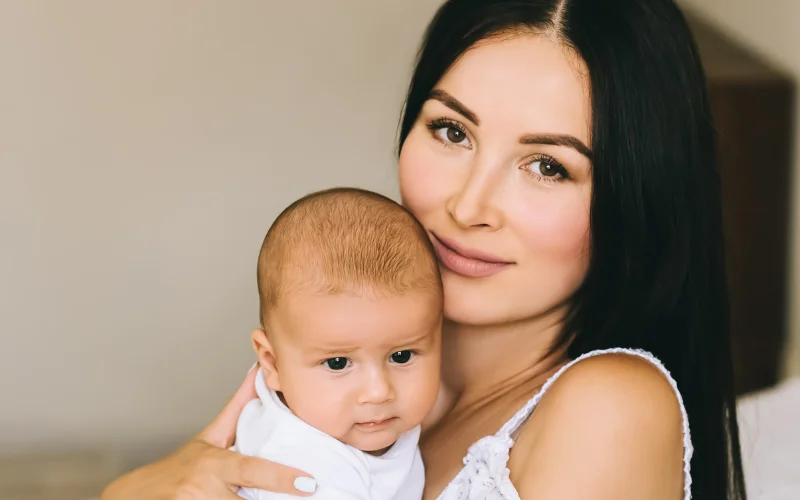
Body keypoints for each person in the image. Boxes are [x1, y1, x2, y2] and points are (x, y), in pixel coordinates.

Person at [101, 0, 747, 499]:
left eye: (547, 166)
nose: (468, 206)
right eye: (451, 130)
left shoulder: (610, 408)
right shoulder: (375, 379)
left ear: (637, 200)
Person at [233, 187, 442, 499]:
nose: (378, 391)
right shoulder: (300, 465)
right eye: (338, 363)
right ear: (272, 363)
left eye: (401, 356)